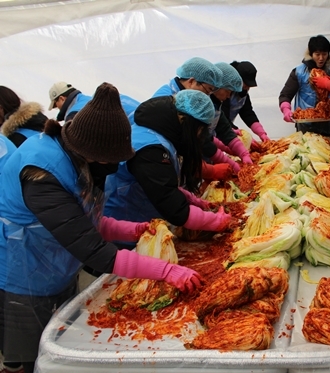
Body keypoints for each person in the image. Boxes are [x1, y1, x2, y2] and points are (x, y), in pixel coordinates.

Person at [0, 83, 204, 373]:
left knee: (59, 337)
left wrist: (133, 230)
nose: (112, 168)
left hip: (55, 261)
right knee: (30, 355)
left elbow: (89, 220)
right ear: (92, 153)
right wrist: (166, 271)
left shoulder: (79, 156)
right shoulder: (41, 173)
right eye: (110, 161)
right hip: (21, 270)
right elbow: (92, 249)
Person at [104, 88, 231, 240]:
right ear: (187, 122)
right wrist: (217, 221)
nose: (199, 136)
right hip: (125, 223)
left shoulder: (162, 131)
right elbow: (171, 205)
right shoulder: (150, 149)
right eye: (199, 130)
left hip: (141, 214)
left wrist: (194, 200)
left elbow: (164, 182)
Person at [279, 34, 330, 136]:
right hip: (305, 124)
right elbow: (286, 95)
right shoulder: (299, 72)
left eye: (324, 54)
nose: (321, 58)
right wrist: (286, 109)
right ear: (311, 54)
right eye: (317, 54)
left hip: (327, 123)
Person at [203, 62, 253, 172]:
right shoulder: (203, 106)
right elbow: (202, 139)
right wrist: (229, 161)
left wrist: (243, 153)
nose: (229, 96)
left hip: (207, 153)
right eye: (228, 91)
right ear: (218, 86)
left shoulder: (216, 104)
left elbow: (224, 129)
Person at [221, 61, 270, 142]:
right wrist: (244, 137)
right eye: (246, 84)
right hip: (218, 132)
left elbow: (247, 113)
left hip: (228, 131)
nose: (247, 88)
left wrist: (261, 132)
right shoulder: (223, 93)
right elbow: (222, 118)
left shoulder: (243, 94)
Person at [49, 81, 140, 122]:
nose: (57, 108)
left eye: (55, 105)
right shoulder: (90, 99)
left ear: (61, 99)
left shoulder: (73, 115)